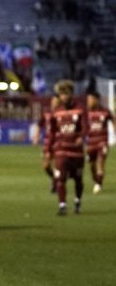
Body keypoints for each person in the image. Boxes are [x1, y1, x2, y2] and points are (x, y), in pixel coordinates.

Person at [46, 80, 87, 215]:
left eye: (65, 94)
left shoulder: (80, 109)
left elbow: (85, 127)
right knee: (60, 178)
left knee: (78, 179)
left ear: (71, 94)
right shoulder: (56, 112)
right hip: (61, 150)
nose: (63, 97)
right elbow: (52, 132)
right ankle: (62, 205)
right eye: (61, 94)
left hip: (76, 152)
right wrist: (48, 150)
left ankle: (77, 202)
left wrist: (81, 137)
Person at [85, 91, 113, 194]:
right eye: (88, 100)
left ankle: (98, 184)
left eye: (90, 99)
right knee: (92, 165)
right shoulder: (86, 113)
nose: (88, 102)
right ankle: (96, 180)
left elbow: (113, 119)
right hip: (91, 143)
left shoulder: (105, 111)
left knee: (100, 162)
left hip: (102, 141)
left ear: (96, 100)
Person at [33, 96, 61, 193]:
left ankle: (57, 184)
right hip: (48, 142)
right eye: (53, 101)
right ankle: (54, 179)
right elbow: (39, 124)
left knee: (57, 165)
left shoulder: (61, 113)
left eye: (57, 101)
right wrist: (36, 136)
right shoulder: (47, 113)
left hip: (58, 141)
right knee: (45, 166)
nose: (55, 103)